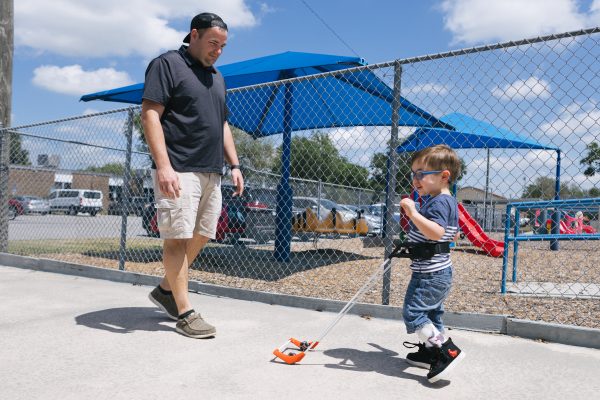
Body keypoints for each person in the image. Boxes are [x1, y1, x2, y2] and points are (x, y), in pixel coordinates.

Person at [141, 12, 244, 339]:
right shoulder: (168, 65)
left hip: (211, 171)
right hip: (179, 167)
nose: (218, 50)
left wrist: (235, 165)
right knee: (177, 238)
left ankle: (165, 290)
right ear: (194, 35)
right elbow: (150, 115)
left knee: (202, 234)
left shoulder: (217, 77)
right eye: (213, 43)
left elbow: (223, 124)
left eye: (223, 46)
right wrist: (164, 166)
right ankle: (184, 312)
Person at [399, 144, 465, 383]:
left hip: (429, 274)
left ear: (443, 176)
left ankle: (446, 351)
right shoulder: (445, 201)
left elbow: (436, 233)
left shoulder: (438, 202)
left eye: (421, 174)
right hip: (437, 272)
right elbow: (450, 232)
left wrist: (413, 213)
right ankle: (430, 352)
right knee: (432, 313)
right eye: (413, 173)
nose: (415, 179)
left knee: (414, 312)